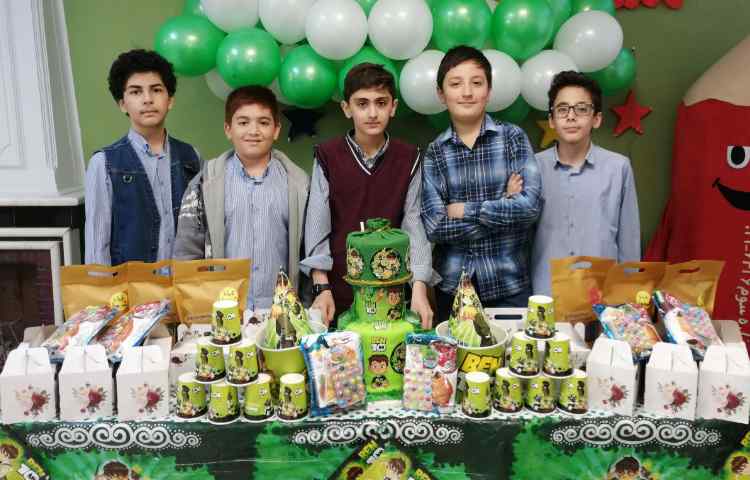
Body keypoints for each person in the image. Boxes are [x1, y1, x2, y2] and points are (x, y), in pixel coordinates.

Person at [301, 63, 434, 328]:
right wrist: (321, 287)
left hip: (394, 292)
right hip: (338, 289)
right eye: (362, 104)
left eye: (381, 103)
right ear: (346, 108)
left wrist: (419, 287)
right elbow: (317, 225)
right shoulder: (327, 156)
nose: (372, 113)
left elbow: (414, 225)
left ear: (393, 107)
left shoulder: (409, 158)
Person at [421, 46, 542, 323]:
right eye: (455, 84)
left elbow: (529, 209)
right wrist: (504, 205)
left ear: (488, 90)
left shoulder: (513, 138)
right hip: (453, 288)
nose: (467, 92)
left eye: (476, 83)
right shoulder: (435, 152)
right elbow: (435, 226)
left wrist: (464, 209)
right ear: (441, 94)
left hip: (509, 285)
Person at [174, 86, 309, 309]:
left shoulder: (299, 185)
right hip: (223, 312)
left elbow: (307, 253)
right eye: (243, 122)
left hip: (281, 313)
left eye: (263, 122)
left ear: (276, 130)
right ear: (228, 129)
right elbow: (187, 252)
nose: (253, 131)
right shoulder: (204, 183)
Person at [85, 49, 201, 265]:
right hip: (131, 283)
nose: (147, 99)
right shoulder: (104, 163)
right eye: (136, 92)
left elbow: (200, 230)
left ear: (170, 100)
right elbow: (97, 245)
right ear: (122, 104)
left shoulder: (191, 156)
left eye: (156, 90)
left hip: (184, 280)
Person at [531, 71, 640, 295]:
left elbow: (629, 240)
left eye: (581, 109)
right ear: (551, 120)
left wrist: (627, 294)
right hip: (546, 293)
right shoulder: (532, 168)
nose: (571, 116)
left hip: (602, 295)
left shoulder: (618, 168)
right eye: (562, 109)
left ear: (596, 119)